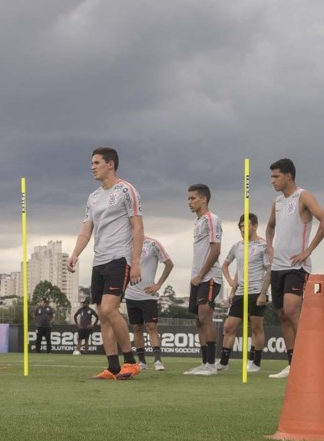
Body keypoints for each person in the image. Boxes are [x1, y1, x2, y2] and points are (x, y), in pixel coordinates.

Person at [67, 146, 144, 380]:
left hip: (119, 258)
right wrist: (75, 253)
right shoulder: (92, 197)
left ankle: (130, 362)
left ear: (110, 164)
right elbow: (86, 230)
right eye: (92, 163)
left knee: (111, 309)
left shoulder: (126, 190)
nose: (92, 167)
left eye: (97, 162)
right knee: (102, 315)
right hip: (98, 261)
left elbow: (138, 227)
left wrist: (136, 262)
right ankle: (112, 367)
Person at [264, 158, 324, 378]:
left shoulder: (303, 196)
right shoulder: (277, 202)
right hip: (277, 267)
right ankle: (293, 364)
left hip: (297, 266)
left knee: (293, 309)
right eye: (271, 176)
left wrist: (308, 250)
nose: (272, 180)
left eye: (276, 176)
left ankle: (311, 359)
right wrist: (269, 247)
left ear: (288, 176)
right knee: (282, 315)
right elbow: (270, 227)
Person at [219, 214, 271, 373]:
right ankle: (223, 363)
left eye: (246, 226)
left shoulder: (263, 245)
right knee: (229, 326)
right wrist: (232, 287)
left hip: (256, 291)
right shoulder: (237, 246)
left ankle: (254, 362)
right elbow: (226, 266)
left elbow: (269, 269)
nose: (243, 229)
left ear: (255, 226)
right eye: (241, 226)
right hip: (240, 293)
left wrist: (263, 293)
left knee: (256, 328)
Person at [184, 184, 223, 377]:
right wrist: (195, 276)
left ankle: (211, 365)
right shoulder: (198, 222)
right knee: (199, 321)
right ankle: (204, 362)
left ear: (204, 199)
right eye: (189, 199)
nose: (189, 202)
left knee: (205, 316)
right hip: (197, 278)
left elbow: (216, 250)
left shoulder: (212, 220)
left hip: (209, 277)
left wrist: (201, 275)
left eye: (193, 198)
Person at [125, 235, 174, 371]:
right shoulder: (125, 243)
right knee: (136, 328)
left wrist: (158, 284)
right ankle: (142, 362)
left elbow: (169, 264)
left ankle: (158, 360)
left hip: (148, 295)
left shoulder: (153, 244)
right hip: (130, 294)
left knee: (151, 326)